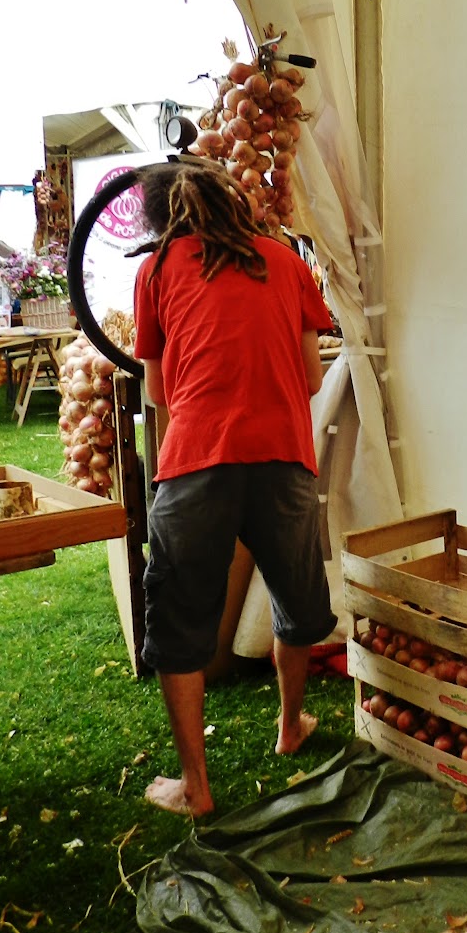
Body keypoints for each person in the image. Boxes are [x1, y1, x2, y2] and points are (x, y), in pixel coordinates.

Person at [131, 158, 337, 818]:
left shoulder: (155, 270)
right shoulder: (286, 262)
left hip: (195, 458)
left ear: (163, 219)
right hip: (282, 454)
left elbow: (157, 393)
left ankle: (196, 786)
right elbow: (311, 378)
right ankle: (290, 726)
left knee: (179, 619)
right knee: (296, 600)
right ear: (235, 202)